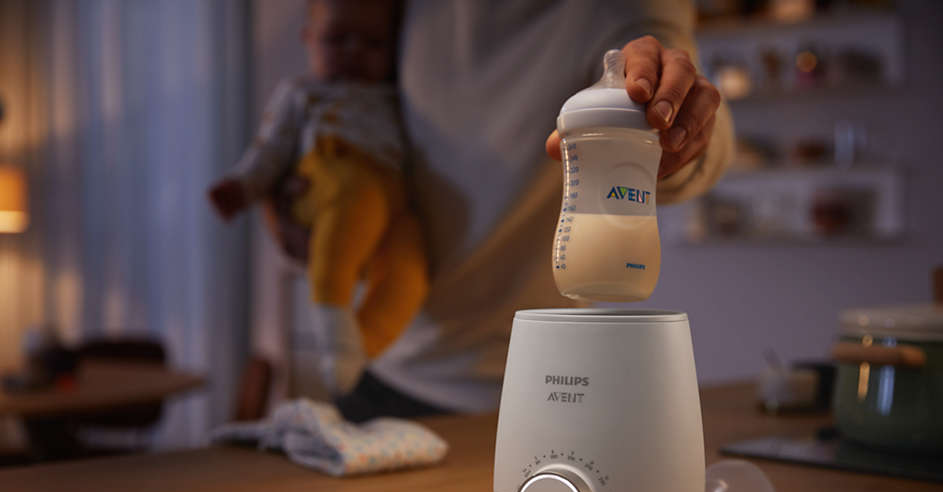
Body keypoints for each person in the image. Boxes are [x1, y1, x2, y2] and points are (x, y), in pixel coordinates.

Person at [263, 0, 734, 422]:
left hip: (522, 391)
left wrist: (679, 131)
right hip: (381, 368)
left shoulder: (622, 11)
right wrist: (295, 207)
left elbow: (668, 74)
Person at [211, 0, 429, 396]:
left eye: (373, 43)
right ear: (308, 41)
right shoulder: (302, 94)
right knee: (355, 198)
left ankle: (359, 346)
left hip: (391, 197)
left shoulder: (393, 94)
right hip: (329, 171)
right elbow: (270, 150)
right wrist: (242, 186)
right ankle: (331, 312)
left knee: (408, 264)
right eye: (337, 39)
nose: (353, 52)